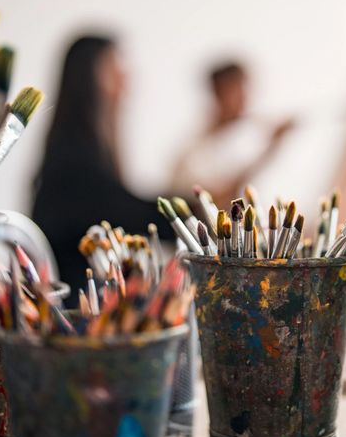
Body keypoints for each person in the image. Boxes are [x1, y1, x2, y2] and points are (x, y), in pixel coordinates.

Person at [32, 35, 172, 294]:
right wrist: (182, 215)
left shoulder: (93, 140)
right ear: (87, 77)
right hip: (72, 297)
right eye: (113, 69)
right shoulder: (72, 147)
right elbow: (119, 210)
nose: (125, 81)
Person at [171, 61, 292, 204]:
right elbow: (217, 201)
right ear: (218, 93)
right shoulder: (194, 151)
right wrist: (270, 149)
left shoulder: (248, 135)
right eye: (236, 90)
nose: (244, 98)